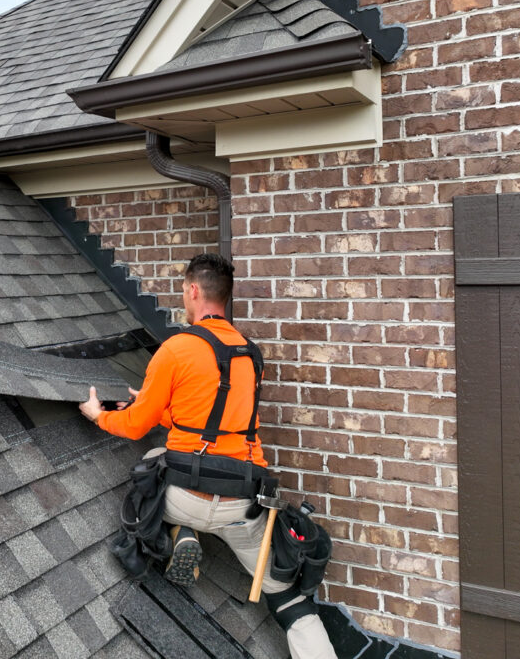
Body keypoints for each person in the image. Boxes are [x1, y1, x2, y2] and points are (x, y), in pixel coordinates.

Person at [80, 253, 336, 659]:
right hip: (242, 507)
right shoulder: (252, 357)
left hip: (183, 498)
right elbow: (216, 421)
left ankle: (182, 534)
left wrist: (99, 415)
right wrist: (157, 403)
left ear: (194, 291)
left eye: (184, 290)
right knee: (289, 601)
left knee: (153, 458)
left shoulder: (176, 348)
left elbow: (133, 426)